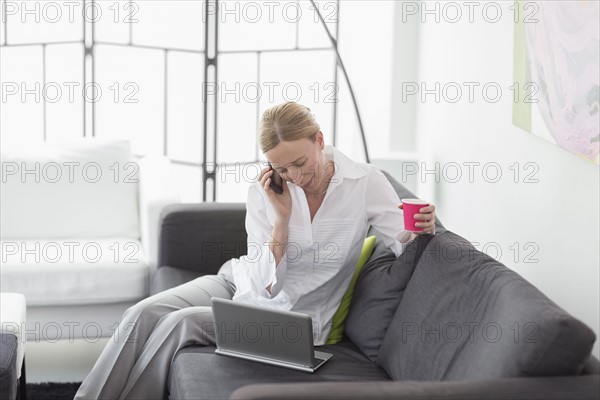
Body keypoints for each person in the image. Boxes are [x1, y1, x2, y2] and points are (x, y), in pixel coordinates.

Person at [74, 102, 436, 399]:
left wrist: (422, 225)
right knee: (143, 313)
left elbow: (402, 242)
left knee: (178, 324)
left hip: (289, 321)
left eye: (300, 162)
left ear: (320, 140)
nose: (294, 176)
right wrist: (280, 219)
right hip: (238, 282)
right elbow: (258, 276)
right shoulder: (267, 190)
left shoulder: (365, 183)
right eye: (282, 167)